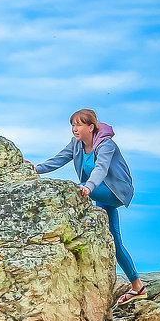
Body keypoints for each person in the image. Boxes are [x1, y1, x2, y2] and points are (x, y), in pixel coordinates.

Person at [32, 109, 146, 305]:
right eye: (73, 125)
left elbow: (101, 168)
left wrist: (88, 187)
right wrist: (36, 168)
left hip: (115, 191)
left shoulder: (106, 145)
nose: (74, 129)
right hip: (96, 190)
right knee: (114, 241)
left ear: (91, 127)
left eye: (78, 125)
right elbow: (59, 159)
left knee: (72, 189)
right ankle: (138, 287)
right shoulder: (76, 144)